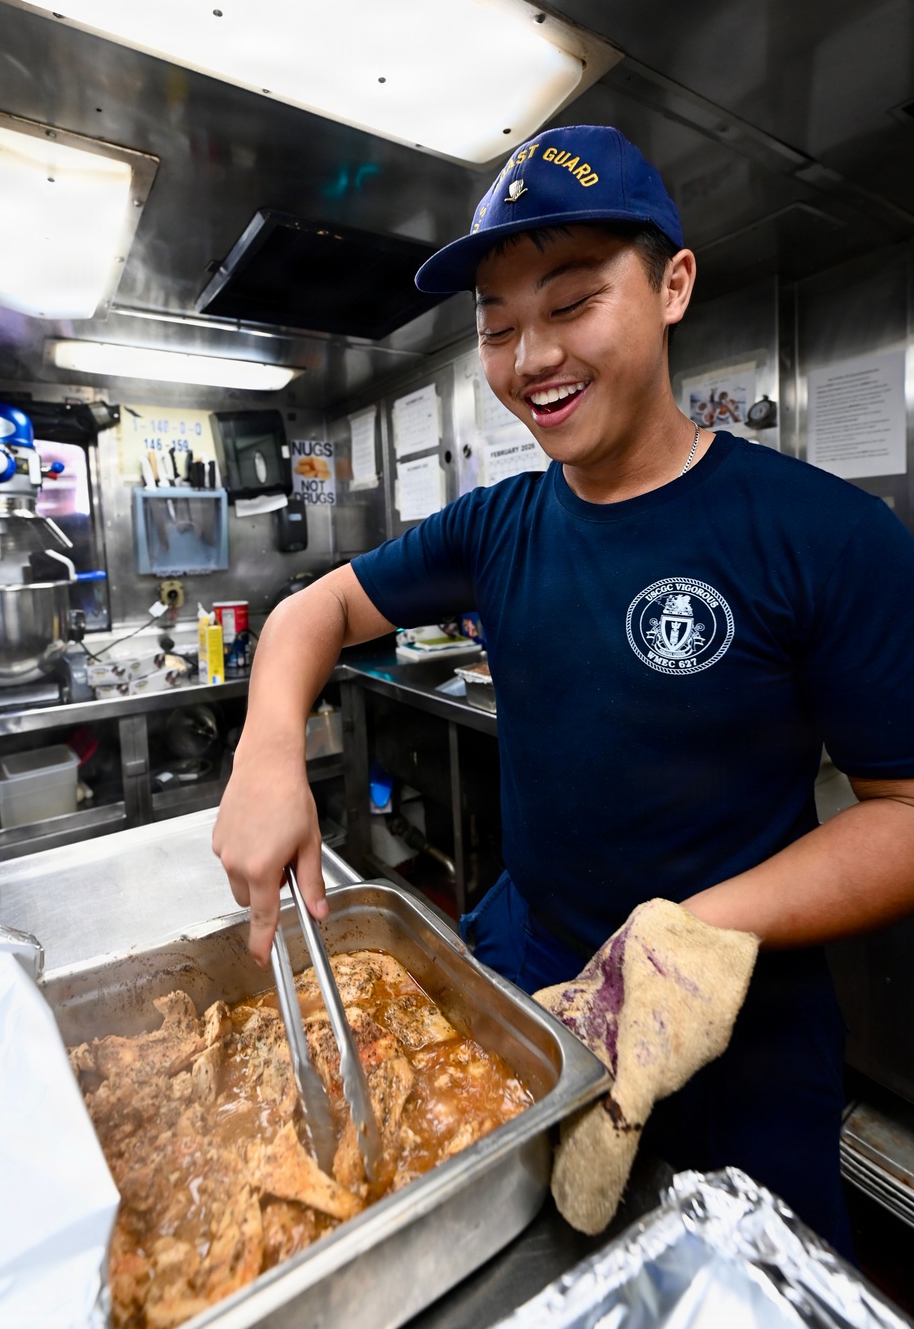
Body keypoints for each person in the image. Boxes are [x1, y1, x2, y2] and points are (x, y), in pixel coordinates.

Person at [212, 124, 914, 1252]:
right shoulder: (499, 526)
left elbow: (904, 815)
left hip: (739, 1025)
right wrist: (266, 750)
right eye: (497, 328)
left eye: (573, 302)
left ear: (673, 285)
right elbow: (316, 611)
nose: (529, 357)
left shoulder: (823, 536)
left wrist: (687, 937)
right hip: (537, 992)